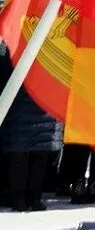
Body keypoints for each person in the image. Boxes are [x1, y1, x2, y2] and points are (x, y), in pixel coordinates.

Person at [0, 41, 62, 211]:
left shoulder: (12, 46)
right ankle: (33, 197)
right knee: (38, 157)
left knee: (20, 156)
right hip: (43, 106)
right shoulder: (52, 46)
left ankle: (19, 197)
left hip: (18, 106)